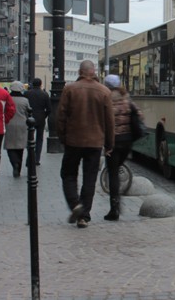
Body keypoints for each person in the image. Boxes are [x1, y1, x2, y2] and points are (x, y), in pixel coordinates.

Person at [57, 60, 114, 229]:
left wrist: (62, 137)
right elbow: (109, 121)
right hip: (95, 142)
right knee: (90, 178)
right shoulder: (104, 91)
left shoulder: (70, 89)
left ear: (80, 71)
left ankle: (75, 205)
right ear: (93, 71)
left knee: (68, 174)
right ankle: (84, 217)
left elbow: (60, 116)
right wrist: (109, 144)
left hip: (73, 140)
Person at [102, 74, 136, 221]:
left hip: (113, 142)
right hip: (127, 141)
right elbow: (138, 115)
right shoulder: (126, 98)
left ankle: (114, 208)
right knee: (117, 169)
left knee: (113, 173)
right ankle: (118, 201)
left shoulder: (106, 99)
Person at [4, 81, 29, 177]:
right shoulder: (25, 100)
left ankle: (14, 163)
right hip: (22, 125)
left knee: (10, 146)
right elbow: (28, 112)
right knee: (20, 147)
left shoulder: (8, 99)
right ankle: (18, 168)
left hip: (9, 124)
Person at [24, 78, 51, 165]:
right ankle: (37, 158)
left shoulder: (27, 93)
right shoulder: (45, 94)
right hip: (41, 118)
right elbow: (49, 109)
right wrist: (44, 115)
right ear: (40, 84)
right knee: (39, 139)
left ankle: (30, 157)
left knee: (30, 139)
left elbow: (25, 106)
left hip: (30, 118)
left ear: (32, 84)